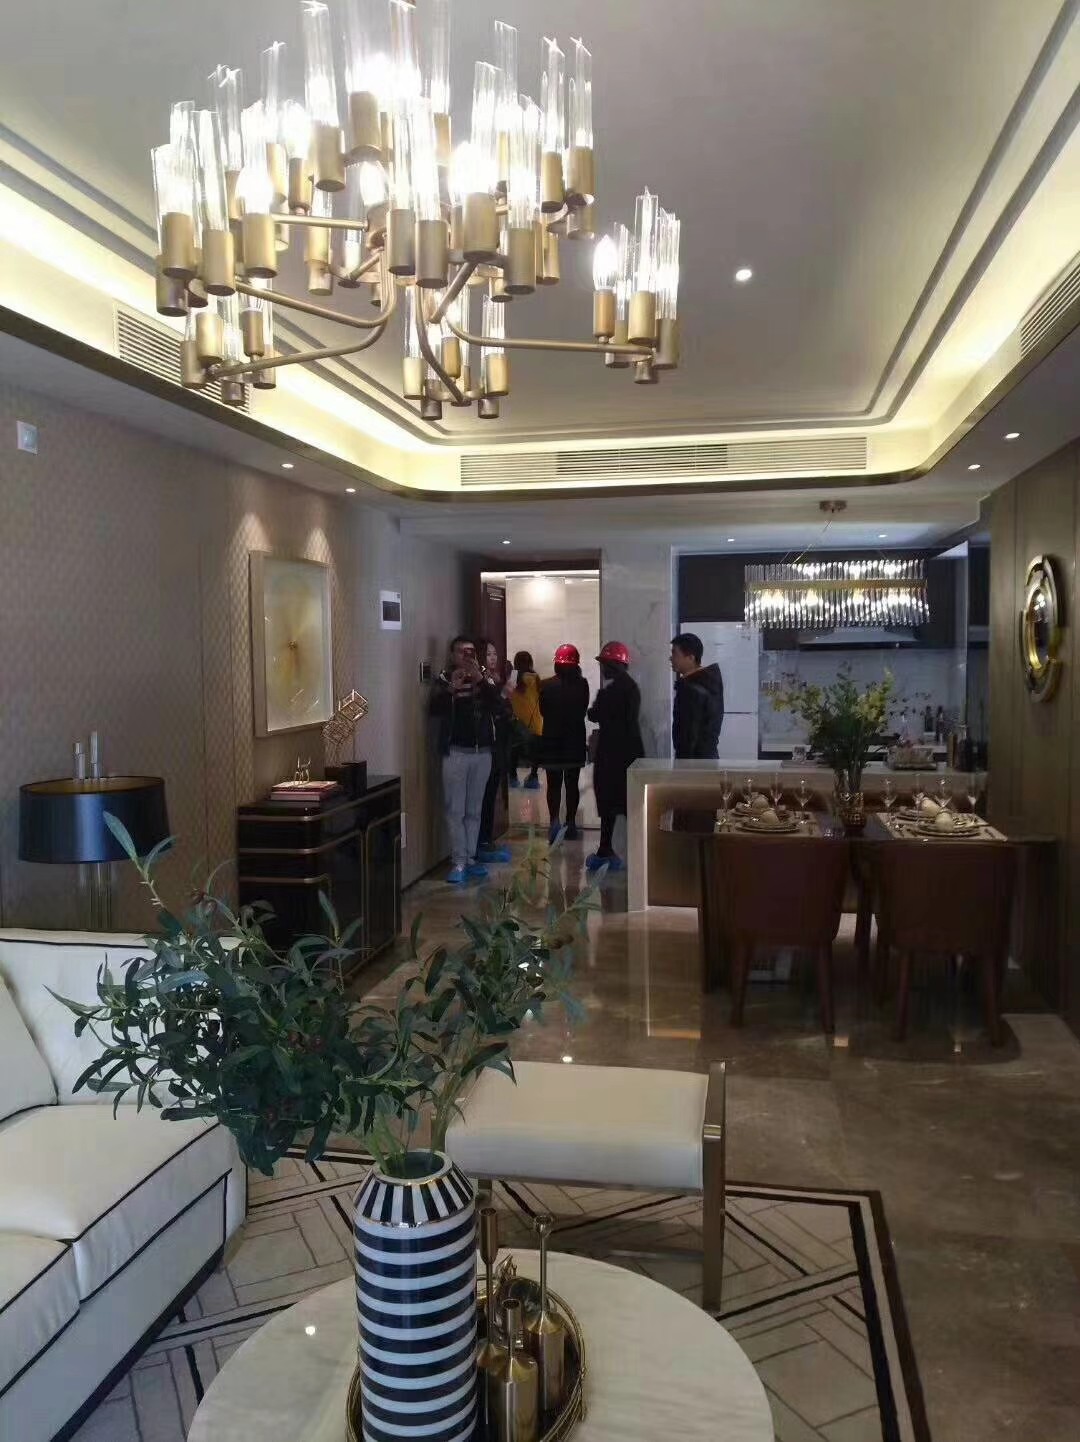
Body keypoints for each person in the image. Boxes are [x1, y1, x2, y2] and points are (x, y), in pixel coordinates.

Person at [429, 635, 508, 884]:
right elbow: (434, 709)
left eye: (471, 652)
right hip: (456, 752)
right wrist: (452, 688)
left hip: (482, 752)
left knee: (474, 809)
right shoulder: (445, 678)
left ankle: (471, 858)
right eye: (462, 652)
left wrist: (479, 680)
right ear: (453, 655)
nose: (467, 656)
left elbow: (499, 707)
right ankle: (459, 861)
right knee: (456, 810)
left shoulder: (484, 679)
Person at [586, 641, 645, 871]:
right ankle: (638, 850)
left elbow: (594, 714)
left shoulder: (609, 692)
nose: (602, 668)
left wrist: (596, 708)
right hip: (631, 754)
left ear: (613, 665)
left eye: (604, 664)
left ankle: (605, 849)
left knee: (608, 803)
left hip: (610, 754)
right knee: (630, 804)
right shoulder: (632, 688)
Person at [538, 643, 590, 843]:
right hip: (574, 741)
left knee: (553, 785)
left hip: (551, 740)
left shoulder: (546, 685)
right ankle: (570, 823)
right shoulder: (582, 685)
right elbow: (583, 709)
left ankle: (554, 822)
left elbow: (543, 711)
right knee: (572, 784)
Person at [474, 637, 513, 866]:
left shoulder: (495, 679)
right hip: (486, 745)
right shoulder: (481, 683)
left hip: (499, 744)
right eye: (488, 654)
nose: (493, 658)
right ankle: (482, 842)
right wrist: (502, 696)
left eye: (494, 654)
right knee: (484, 796)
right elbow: (494, 707)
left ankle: (486, 840)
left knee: (492, 794)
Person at [671, 632, 725, 759]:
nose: (671, 658)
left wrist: (683, 764)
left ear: (690, 657)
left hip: (693, 761)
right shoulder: (708, 682)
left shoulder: (691, 689)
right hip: (707, 759)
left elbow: (688, 735)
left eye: (675, 654)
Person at [508, 650, 542, 789]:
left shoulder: (513, 677)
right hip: (535, 721)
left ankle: (513, 778)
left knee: (514, 749)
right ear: (530, 662)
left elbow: (508, 696)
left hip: (518, 721)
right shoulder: (536, 678)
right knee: (535, 751)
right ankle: (533, 778)